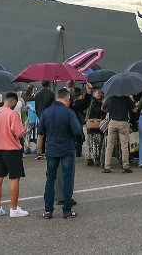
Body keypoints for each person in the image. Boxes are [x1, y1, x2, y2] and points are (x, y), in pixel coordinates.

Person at [38, 88, 82, 219]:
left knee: (50, 179)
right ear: (67, 99)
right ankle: (67, 210)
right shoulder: (69, 112)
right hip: (67, 148)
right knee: (67, 178)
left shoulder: (46, 112)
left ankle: (48, 210)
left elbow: (40, 130)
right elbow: (77, 130)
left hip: (52, 149)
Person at [0, 92, 28, 217]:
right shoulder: (13, 114)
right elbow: (18, 133)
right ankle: (14, 209)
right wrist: (24, 127)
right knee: (15, 178)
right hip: (12, 150)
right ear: (13, 102)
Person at [102, 90, 134, 173]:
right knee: (124, 146)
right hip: (123, 123)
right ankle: (125, 166)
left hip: (112, 122)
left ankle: (107, 166)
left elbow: (102, 108)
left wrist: (109, 110)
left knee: (109, 146)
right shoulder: (127, 98)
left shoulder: (110, 98)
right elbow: (135, 110)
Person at [84, 88, 106, 167]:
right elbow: (98, 111)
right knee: (97, 143)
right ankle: (96, 158)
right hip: (96, 125)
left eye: (100, 93)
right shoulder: (95, 102)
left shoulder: (92, 101)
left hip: (91, 125)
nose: (99, 94)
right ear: (93, 94)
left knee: (90, 142)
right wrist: (103, 108)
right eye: (97, 93)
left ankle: (89, 158)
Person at [34, 81, 56, 160]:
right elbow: (54, 106)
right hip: (49, 116)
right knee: (49, 134)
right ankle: (48, 151)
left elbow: (36, 107)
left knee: (40, 134)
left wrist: (38, 114)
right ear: (49, 84)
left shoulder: (37, 94)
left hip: (40, 115)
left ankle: (39, 151)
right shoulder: (52, 94)